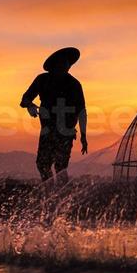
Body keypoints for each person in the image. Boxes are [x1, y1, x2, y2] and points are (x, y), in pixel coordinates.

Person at [20, 47, 87, 181]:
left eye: (67, 64)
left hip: (65, 133)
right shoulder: (42, 79)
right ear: (54, 65)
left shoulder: (74, 84)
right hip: (48, 131)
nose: (65, 66)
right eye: (61, 63)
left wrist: (83, 136)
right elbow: (25, 98)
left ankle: (61, 195)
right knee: (42, 165)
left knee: (60, 168)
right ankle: (49, 190)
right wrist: (30, 106)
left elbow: (82, 111)